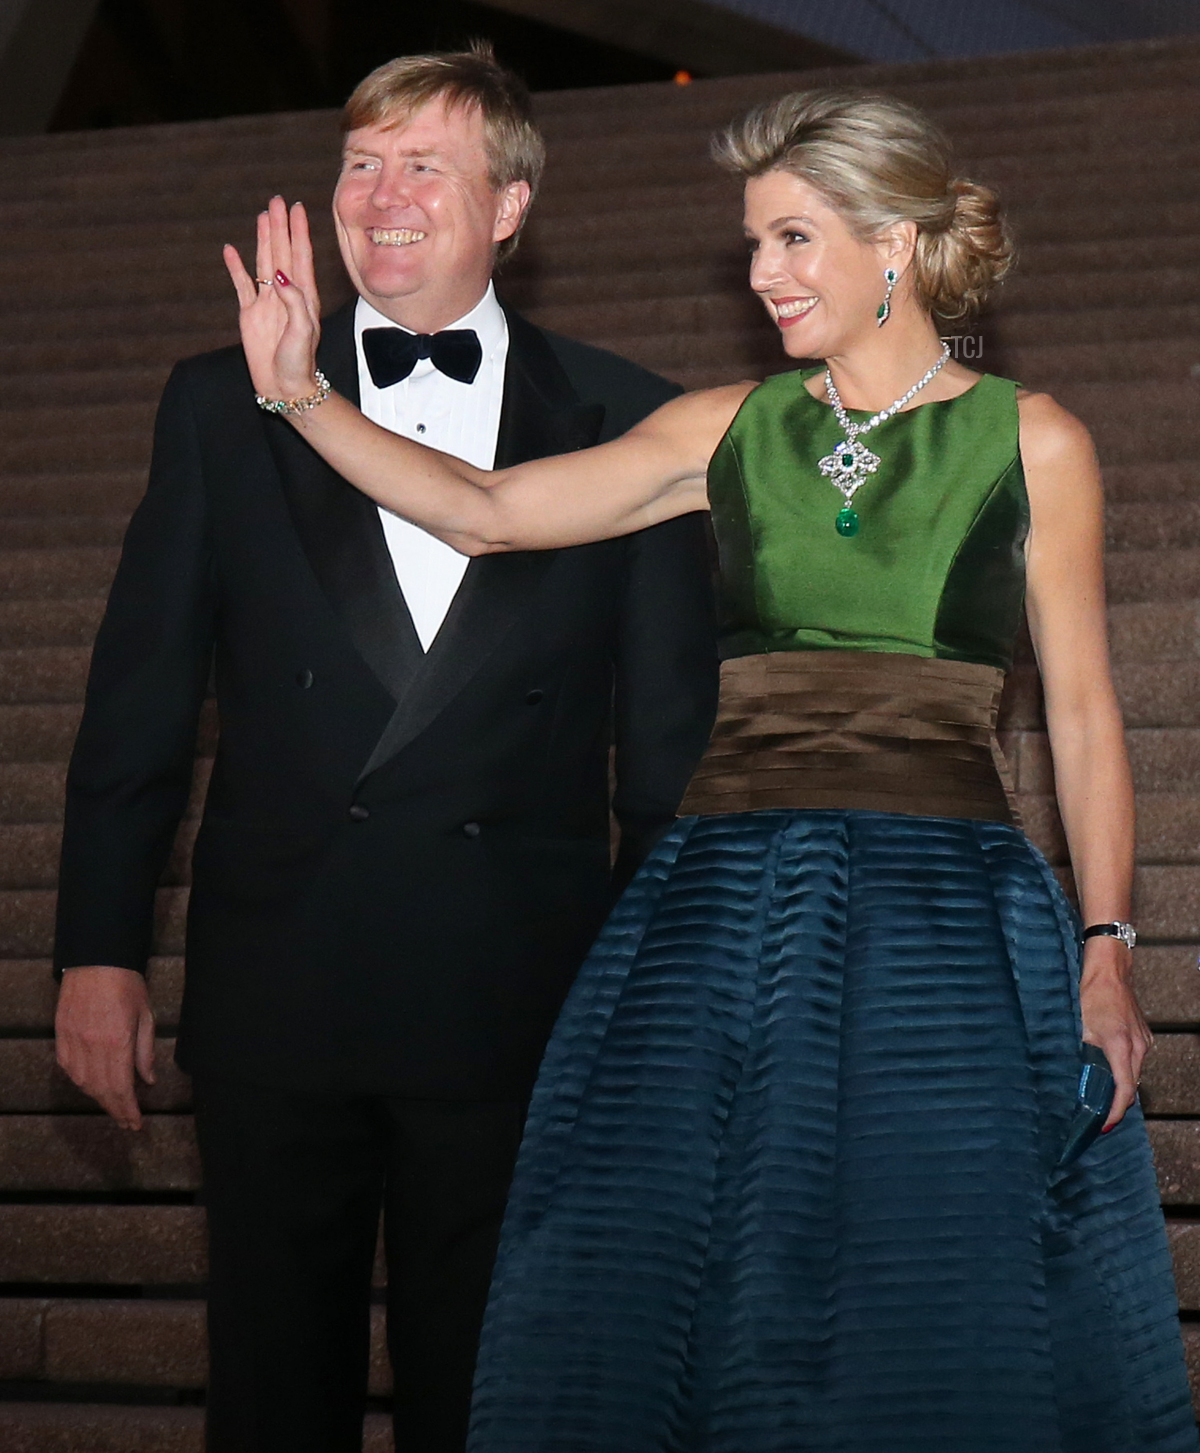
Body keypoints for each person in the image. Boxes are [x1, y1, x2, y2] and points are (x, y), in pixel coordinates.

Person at [226, 87, 1197, 1452]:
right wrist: (299, 392)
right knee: (679, 1283)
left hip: (942, 923)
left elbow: (1084, 716)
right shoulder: (724, 427)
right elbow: (492, 513)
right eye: (754, 244)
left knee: (927, 1287)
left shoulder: (1033, 439)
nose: (760, 275)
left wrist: (1107, 946)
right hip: (729, 911)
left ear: (895, 244)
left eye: (794, 240)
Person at [52, 44, 717, 1453]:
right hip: (280, 982)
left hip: (515, 997)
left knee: (484, 1396)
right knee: (269, 1391)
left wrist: (651, 1006)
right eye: (362, 163)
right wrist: (97, 952)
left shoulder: (626, 419)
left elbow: (664, 766)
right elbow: (139, 697)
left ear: (512, 207)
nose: (382, 194)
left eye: (425, 165)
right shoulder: (216, 403)